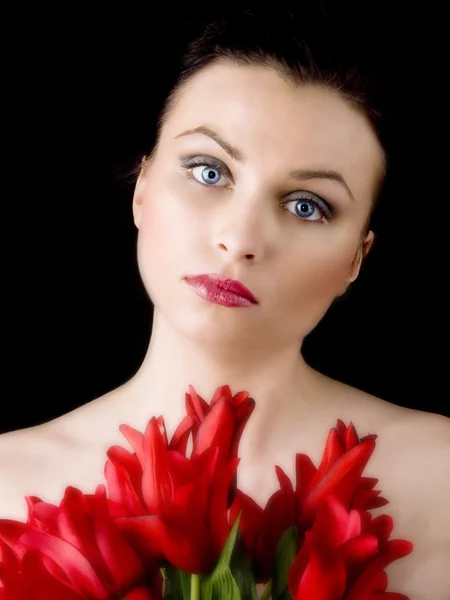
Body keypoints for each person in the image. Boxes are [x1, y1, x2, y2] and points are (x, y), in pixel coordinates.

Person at [1, 6, 449, 598]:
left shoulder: (441, 473)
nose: (239, 241)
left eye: (306, 205)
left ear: (355, 259)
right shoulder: (8, 479)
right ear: (142, 188)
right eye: (209, 171)